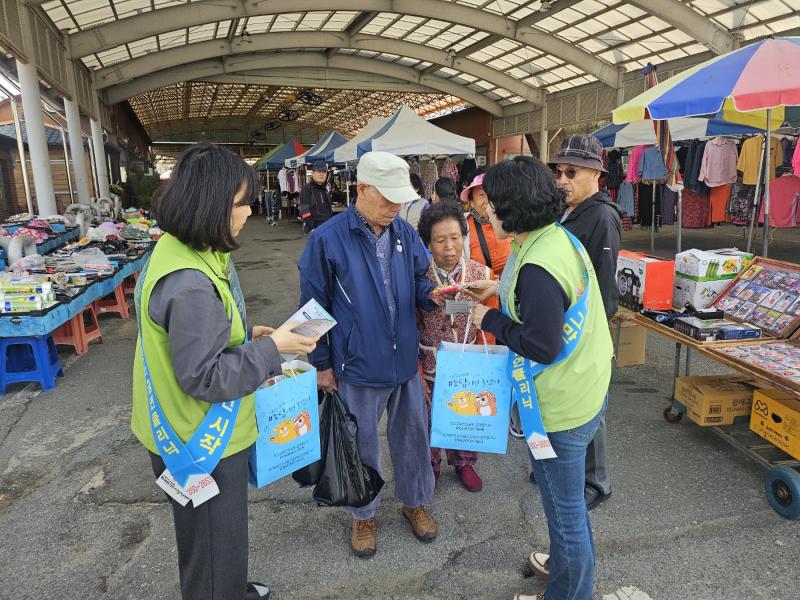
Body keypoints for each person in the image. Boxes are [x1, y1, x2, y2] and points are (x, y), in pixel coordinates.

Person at [131, 143, 319, 600]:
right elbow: (208, 378)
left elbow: (192, 338)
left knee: (210, 541)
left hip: (181, 429)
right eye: (242, 203)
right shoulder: (191, 282)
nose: (250, 211)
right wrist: (272, 349)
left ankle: (227, 588)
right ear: (212, 205)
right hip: (198, 439)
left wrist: (243, 336)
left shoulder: (182, 252)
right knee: (214, 543)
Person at [465, 156, 612, 600]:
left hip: (560, 408)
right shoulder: (552, 236)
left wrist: (490, 319)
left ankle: (569, 592)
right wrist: (499, 289)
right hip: (585, 387)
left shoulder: (537, 266)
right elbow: (544, 294)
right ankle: (570, 579)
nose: (486, 212)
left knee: (565, 515)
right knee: (570, 510)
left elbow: (542, 344)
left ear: (514, 208)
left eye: (492, 204)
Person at [298, 151, 442, 559]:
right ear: (361, 189)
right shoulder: (326, 238)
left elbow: (418, 279)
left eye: (401, 199)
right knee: (361, 442)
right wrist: (321, 364)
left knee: (414, 436)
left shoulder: (404, 232)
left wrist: (434, 296)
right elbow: (312, 307)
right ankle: (363, 513)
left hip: (403, 363)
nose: (396, 207)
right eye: (387, 198)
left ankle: (415, 502)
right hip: (356, 364)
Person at [551, 133, 623, 514]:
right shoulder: (571, 210)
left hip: (586, 325)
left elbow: (604, 281)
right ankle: (568, 467)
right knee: (571, 401)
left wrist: (592, 329)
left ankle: (596, 481)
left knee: (590, 404)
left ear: (596, 173)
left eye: (571, 171)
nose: (561, 179)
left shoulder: (601, 216)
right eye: (558, 171)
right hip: (568, 320)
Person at [416, 201, 499, 493]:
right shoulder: (421, 278)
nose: (449, 247)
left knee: (465, 412)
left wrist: (489, 364)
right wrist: (415, 370)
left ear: (464, 238)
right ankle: (431, 465)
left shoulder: (480, 274)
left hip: (469, 361)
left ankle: (464, 463)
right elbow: (411, 323)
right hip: (431, 363)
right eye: (439, 240)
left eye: (455, 238)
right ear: (428, 243)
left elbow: (493, 318)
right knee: (430, 417)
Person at [460, 172, 513, 277]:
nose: (487, 200)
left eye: (491, 194)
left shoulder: (511, 221)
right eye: (481, 195)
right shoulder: (463, 226)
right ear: (471, 201)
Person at [299, 161, 333, 233]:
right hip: (316, 231)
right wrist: (313, 228)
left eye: (324, 172)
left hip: (328, 229)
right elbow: (304, 212)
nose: (321, 174)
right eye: (319, 171)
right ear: (313, 173)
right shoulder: (306, 189)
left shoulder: (325, 189)